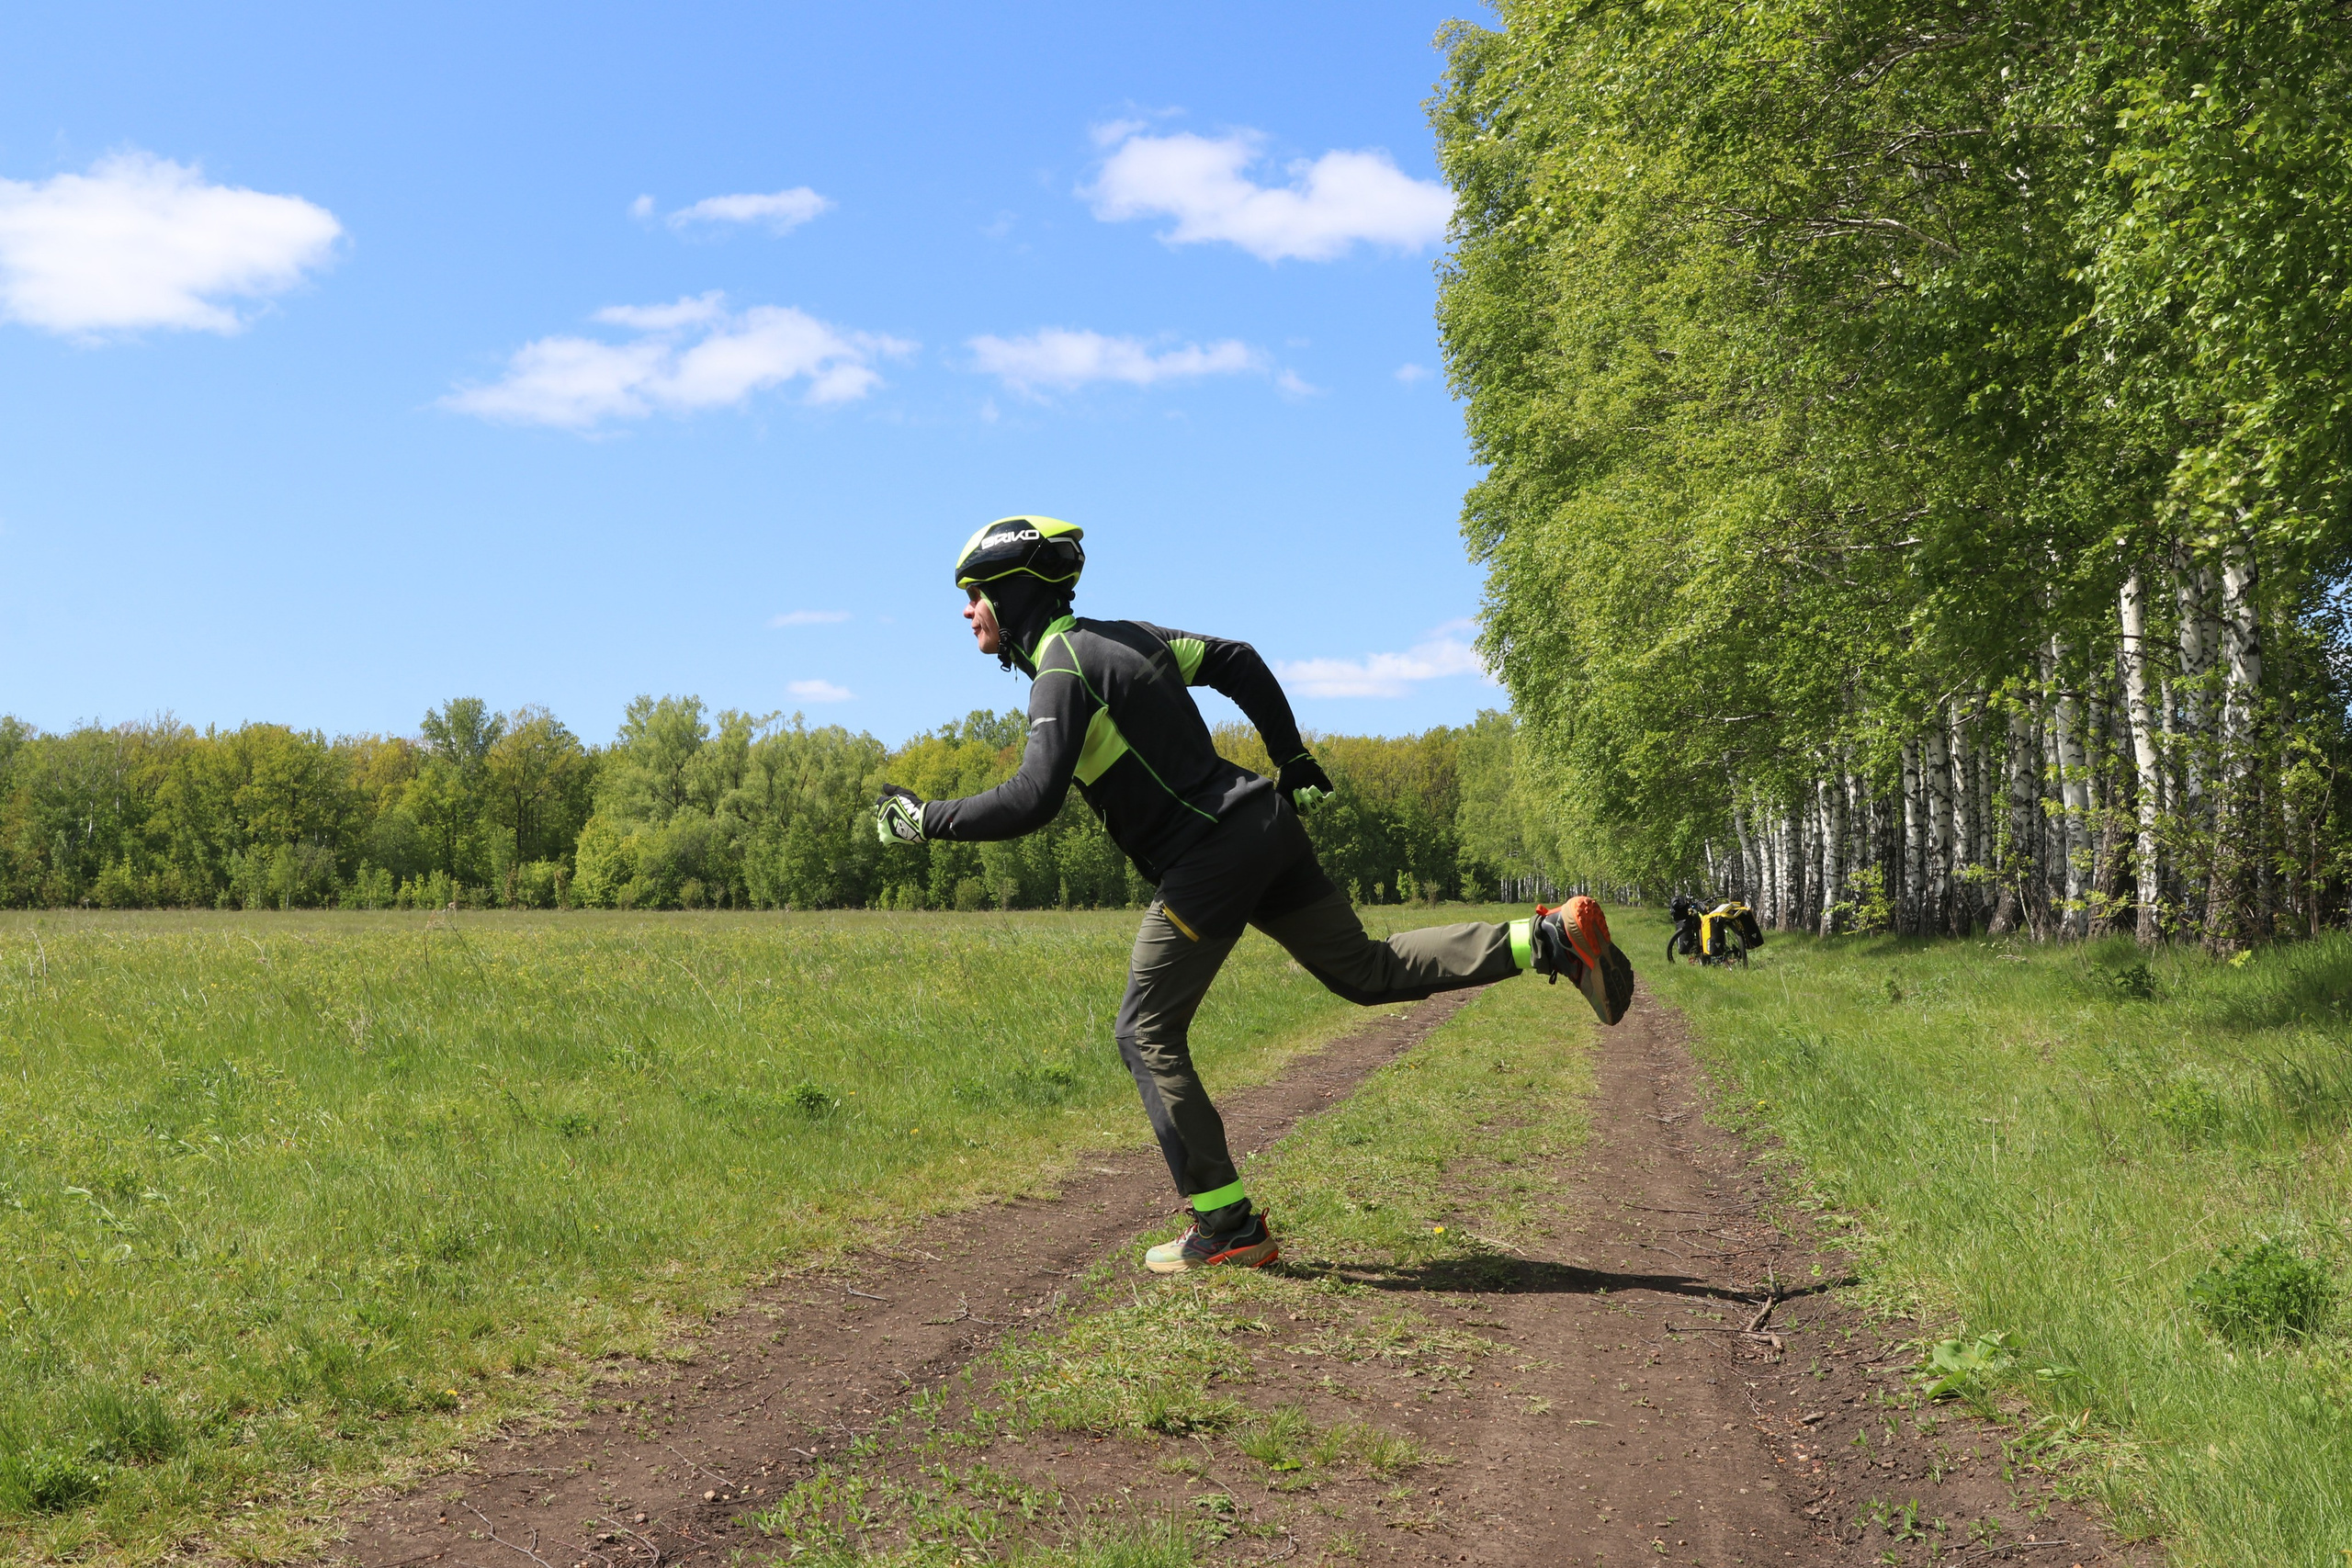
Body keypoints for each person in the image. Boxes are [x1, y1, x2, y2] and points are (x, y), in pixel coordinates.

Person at [875, 516, 1634, 1273]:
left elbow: (1033, 797)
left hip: (1209, 858)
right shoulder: (1130, 637)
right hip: (1263, 820)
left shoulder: (1062, 671)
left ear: (1013, 591)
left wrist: (924, 821)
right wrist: (1290, 754)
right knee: (1365, 970)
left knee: (1144, 1033)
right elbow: (1236, 658)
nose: (968, 609)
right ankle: (1549, 937)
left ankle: (1228, 1225)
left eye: (975, 592)